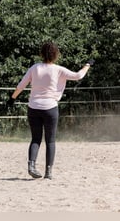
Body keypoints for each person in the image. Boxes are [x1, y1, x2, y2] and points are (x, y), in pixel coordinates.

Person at [6, 42, 94, 179]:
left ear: (42, 54)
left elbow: (21, 85)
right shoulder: (58, 69)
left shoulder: (34, 68)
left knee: (35, 139)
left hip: (33, 107)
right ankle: (48, 172)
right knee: (50, 141)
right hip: (50, 108)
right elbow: (78, 76)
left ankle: (31, 165)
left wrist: (12, 99)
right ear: (56, 55)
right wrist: (87, 65)